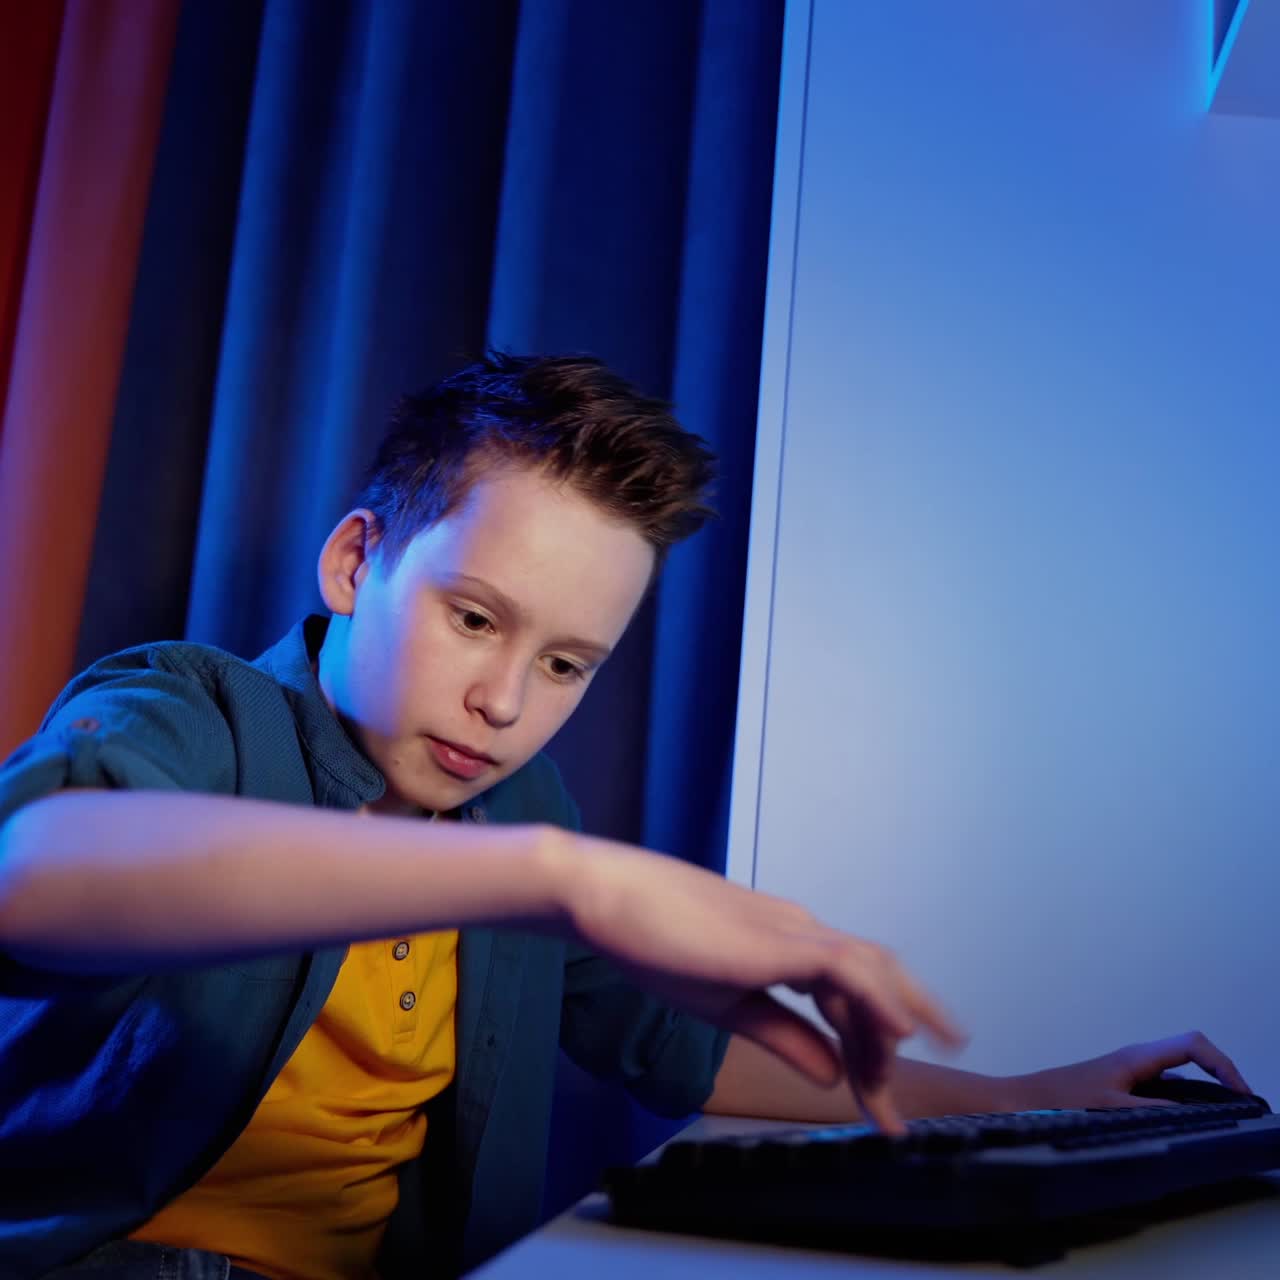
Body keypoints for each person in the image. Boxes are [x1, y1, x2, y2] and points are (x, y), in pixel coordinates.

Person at [0, 353, 1249, 1280]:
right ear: (354, 562)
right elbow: (34, 870)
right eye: (474, 618)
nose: (500, 701)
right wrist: (556, 876)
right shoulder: (186, 702)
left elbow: (680, 1047)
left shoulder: (515, 803)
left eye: (565, 664)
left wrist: (1027, 1093)